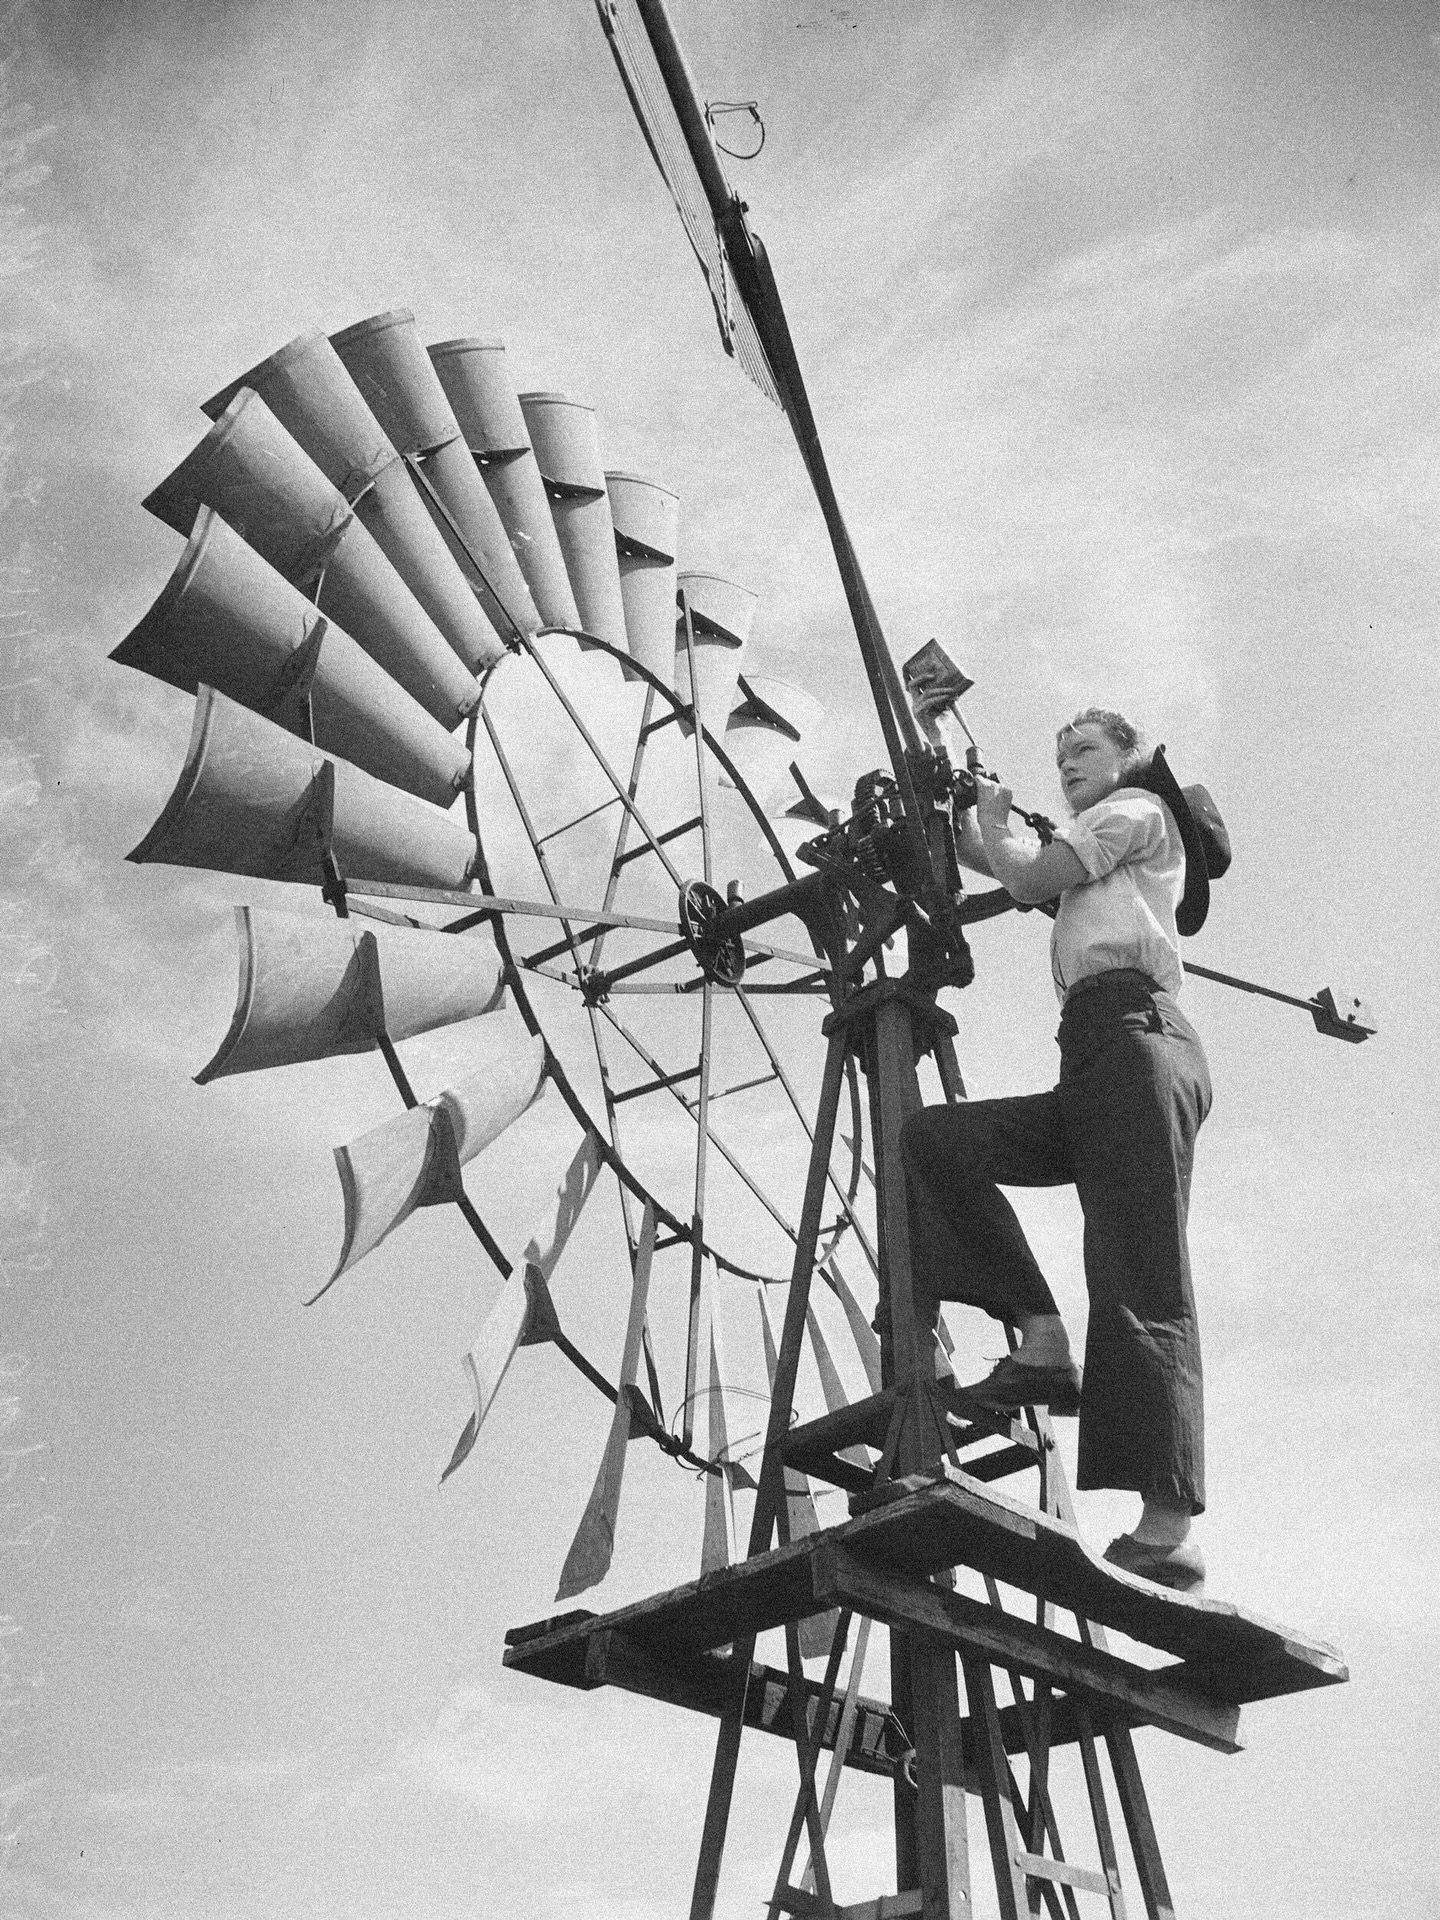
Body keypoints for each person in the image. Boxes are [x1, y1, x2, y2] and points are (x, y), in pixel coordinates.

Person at [900, 702, 1213, 1593]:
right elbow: (993, 858)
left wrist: (996, 825)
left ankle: (1170, 1524)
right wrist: (948, 793)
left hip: (1136, 1038)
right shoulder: (1095, 844)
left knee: (1136, 1265)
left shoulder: (1137, 814)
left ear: (1133, 757)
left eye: (1085, 748)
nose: (1070, 761)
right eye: (1060, 751)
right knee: (939, 1140)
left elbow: (1028, 878)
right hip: (1092, 1052)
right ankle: (1042, 1339)